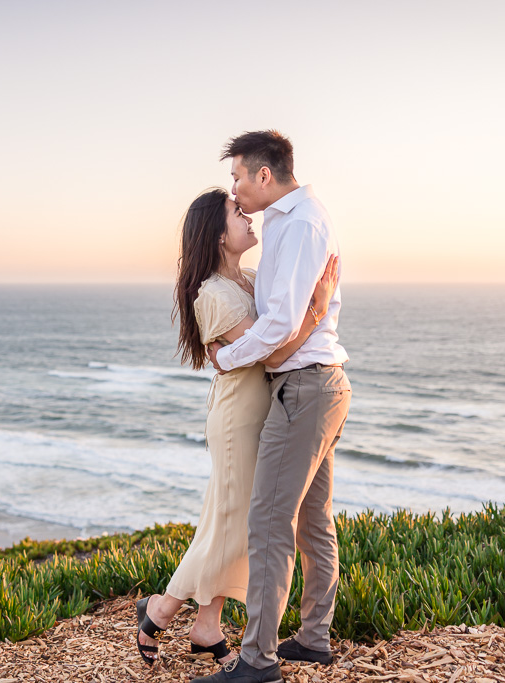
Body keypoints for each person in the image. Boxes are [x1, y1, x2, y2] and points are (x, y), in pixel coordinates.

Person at [135, 187, 338, 666]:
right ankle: (161, 610)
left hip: (262, 414)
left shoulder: (246, 279)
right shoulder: (214, 294)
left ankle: (204, 626)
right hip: (237, 421)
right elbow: (273, 351)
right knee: (233, 525)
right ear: (216, 234)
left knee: (228, 521)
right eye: (235, 212)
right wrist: (318, 306)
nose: (247, 216)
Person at [194, 131, 351, 683]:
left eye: (238, 177)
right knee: (311, 522)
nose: (234, 189)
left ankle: (257, 661)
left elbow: (281, 323)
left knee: (267, 522)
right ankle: (313, 640)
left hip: (306, 386)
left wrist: (228, 356)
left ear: (265, 174)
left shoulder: (301, 221)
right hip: (316, 385)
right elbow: (282, 308)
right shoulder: (289, 220)